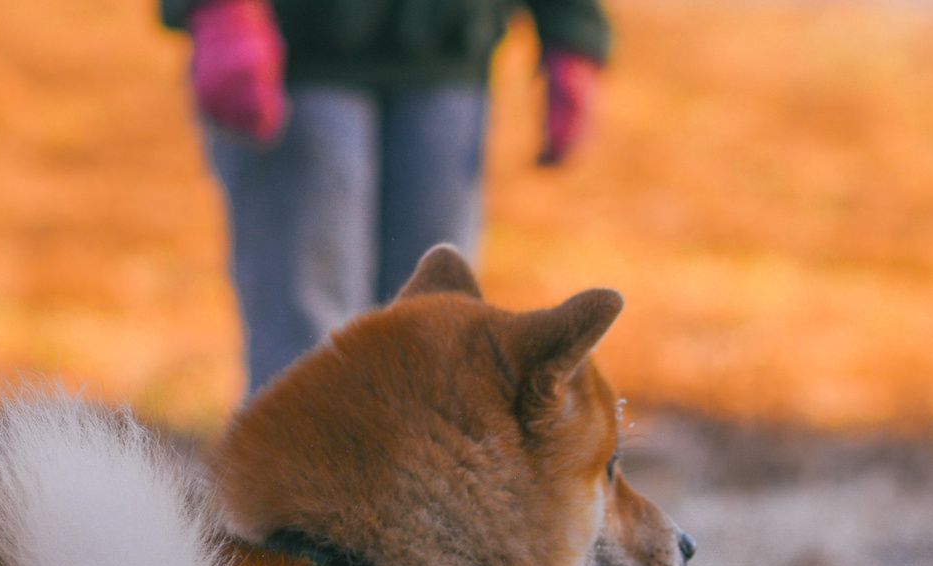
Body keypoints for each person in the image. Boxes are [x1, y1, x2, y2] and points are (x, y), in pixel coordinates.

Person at [163, 0, 613, 393]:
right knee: (307, 347)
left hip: (448, 52)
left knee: (431, 344)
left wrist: (570, 23)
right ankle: (300, 488)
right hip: (297, 56)